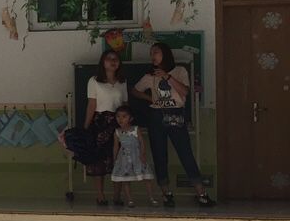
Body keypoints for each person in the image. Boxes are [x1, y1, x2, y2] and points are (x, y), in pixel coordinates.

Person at [132, 42, 216, 207]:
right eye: (151, 53)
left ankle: (202, 194)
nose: (153, 56)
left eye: (156, 52)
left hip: (176, 114)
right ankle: (166, 194)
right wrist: (150, 98)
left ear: (165, 53)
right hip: (156, 116)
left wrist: (167, 77)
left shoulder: (180, 71)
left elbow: (185, 92)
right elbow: (134, 91)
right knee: (159, 155)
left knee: (185, 153)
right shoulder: (150, 76)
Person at [72, 50, 127, 205]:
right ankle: (100, 196)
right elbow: (91, 104)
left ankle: (117, 196)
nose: (113, 61)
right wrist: (85, 128)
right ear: (103, 62)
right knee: (99, 161)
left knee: (118, 160)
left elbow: (125, 105)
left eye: (116, 59)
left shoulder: (122, 81)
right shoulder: (94, 80)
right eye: (109, 58)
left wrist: (126, 124)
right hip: (99, 123)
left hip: (117, 124)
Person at [110, 105, 155, 208]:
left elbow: (141, 142)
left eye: (124, 116)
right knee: (126, 180)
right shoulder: (117, 132)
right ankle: (130, 199)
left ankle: (151, 197)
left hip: (137, 157)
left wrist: (143, 154)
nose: (120, 119)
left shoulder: (135, 129)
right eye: (118, 116)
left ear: (130, 118)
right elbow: (116, 146)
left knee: (146, 178)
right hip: (124, 159)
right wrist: (115, 159)